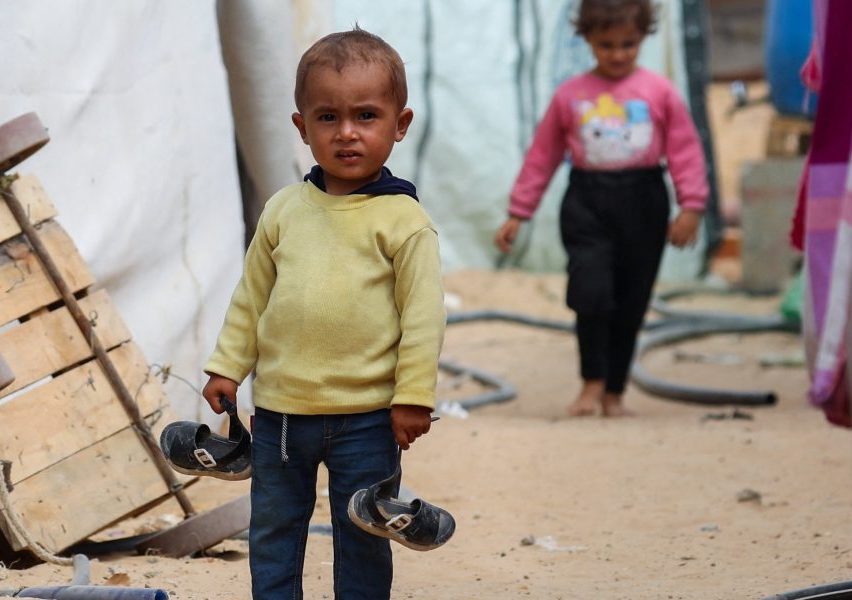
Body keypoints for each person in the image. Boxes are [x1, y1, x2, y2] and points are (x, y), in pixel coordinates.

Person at [201, 27, 446, 599]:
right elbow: (251, 297)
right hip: (282, 415)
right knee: (273, 531)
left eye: (366, 116)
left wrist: (414, 396)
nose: (348, 133)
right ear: (301, 127)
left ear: (400, 124)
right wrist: (226, 367)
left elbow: (423, 318)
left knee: (362, 532)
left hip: (367, 417)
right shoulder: (283, 210)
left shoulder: (403, 221)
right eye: (328, 118)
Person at [494, 0, 708, 418]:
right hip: (587, 202)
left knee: (631, 300)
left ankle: (614, 392)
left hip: (644, 200)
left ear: (643, 38)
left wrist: (692, 207)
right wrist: (519, 212)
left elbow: (685, 151)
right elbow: (543, 156)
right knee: (591, 293)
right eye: (606, 44)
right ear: (588, 39)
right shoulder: (570, 96)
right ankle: (591, 382)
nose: (617, 53)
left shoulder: (659, 92)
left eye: (628, 43)